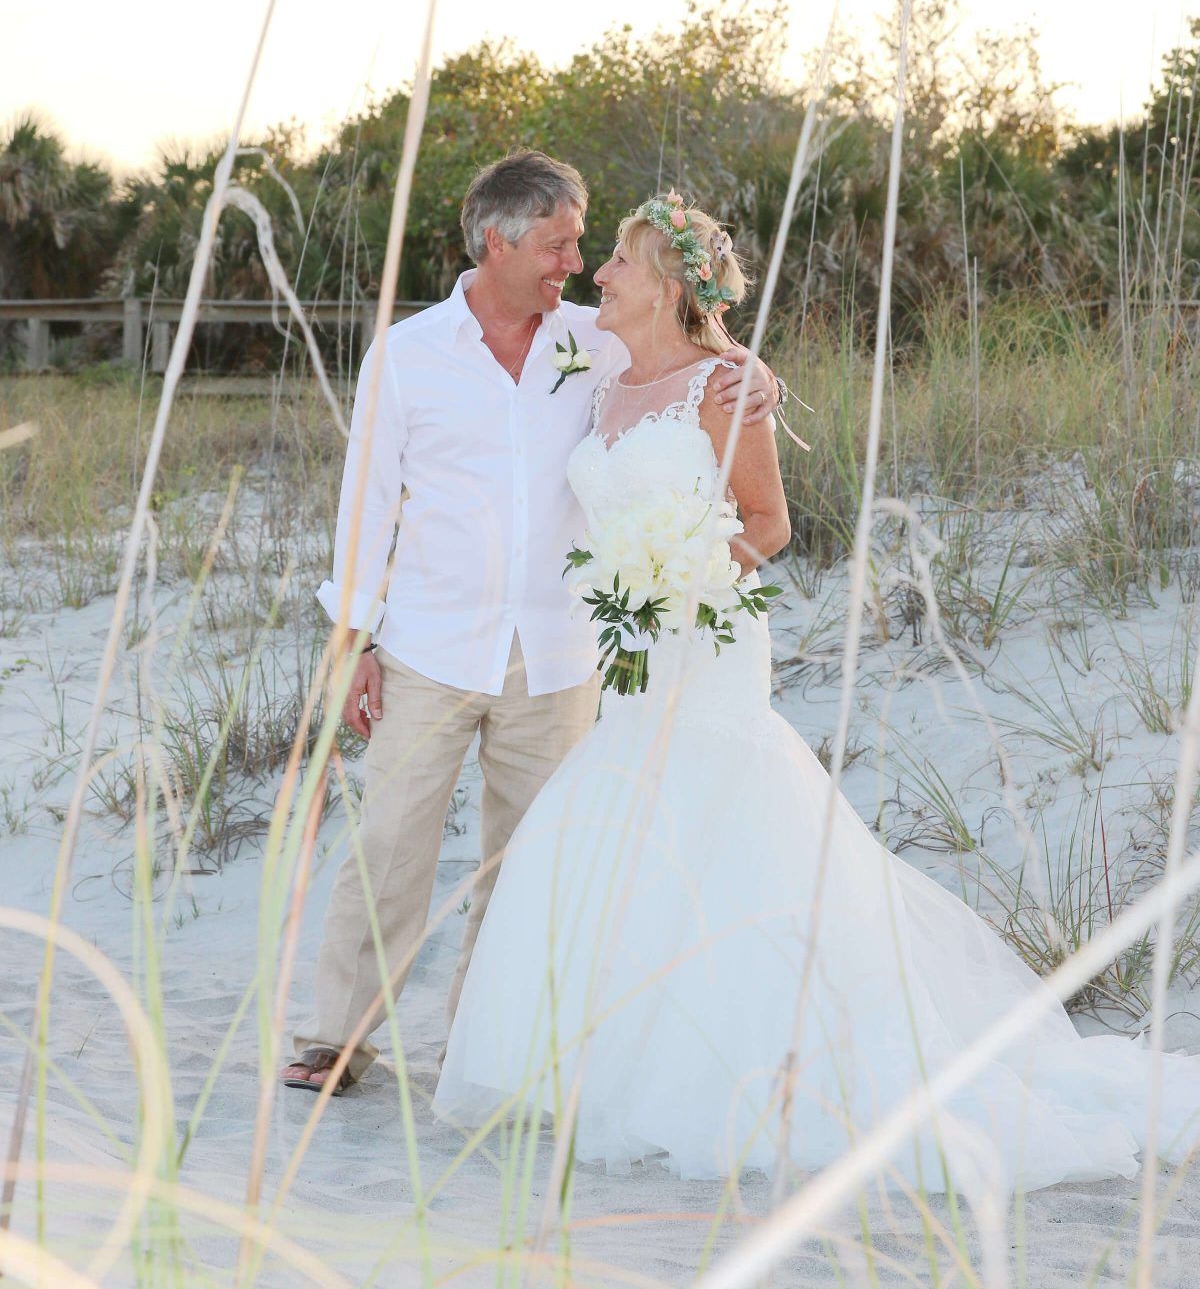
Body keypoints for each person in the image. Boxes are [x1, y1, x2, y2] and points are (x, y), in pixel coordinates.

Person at [433, 195, 1200, 1197]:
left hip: (701, 638)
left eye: (620, 261)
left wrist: (686, 579)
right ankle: (608, 1068)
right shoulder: (600, 373)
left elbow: (769, 521)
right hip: (624, 649)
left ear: (668, 284)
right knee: (622, 826)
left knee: (723, 827)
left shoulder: (723, 388)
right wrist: (631, 591)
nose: (600, 276)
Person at [283, 152, 779, 1094]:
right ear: (497, 241)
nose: (577, 262)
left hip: (559, 652)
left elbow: (697, 352)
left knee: (525, 864)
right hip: (431, 642)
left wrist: (761, 378)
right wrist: (353, 645)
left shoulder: (597, 338)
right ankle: (336, 1036)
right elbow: (366, 505)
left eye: (586, 244)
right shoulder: (409, 353)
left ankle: (482, 1046)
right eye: (558, 243)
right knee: (391, 842)